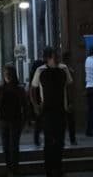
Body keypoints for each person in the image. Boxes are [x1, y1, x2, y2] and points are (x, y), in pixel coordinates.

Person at [31, 47, 72, 177]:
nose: (56, 59)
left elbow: (70, 86)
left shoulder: (64, 69)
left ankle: (58, 167)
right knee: (49, 140)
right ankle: (49, 168)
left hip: (61, 109)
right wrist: (36, 105)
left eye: (57, 56)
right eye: (54, 56)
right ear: (48, 58)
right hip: (47, 110)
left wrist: (70, 103)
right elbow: (33, 88)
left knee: (60, 140)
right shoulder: (40, 70)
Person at [0, 64, 30, 177]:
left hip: (15, 120)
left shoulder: (19, 89)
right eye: (6, 74)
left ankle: (14, 169)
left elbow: (25, 105)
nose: (7, 76)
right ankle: (9, 169)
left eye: (9, 74)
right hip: (3, 121)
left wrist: (26, 121)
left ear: (13, 75)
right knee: (6, 146)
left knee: (14, 146)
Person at [62, 50, 78, 145]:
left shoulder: (63, 68)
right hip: (67, 97)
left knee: (65, 120)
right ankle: (72, 139)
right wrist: (71, 100)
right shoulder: (66, 69)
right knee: (70, 120)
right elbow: (70, 85)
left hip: (64, 97)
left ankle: (65, 139)